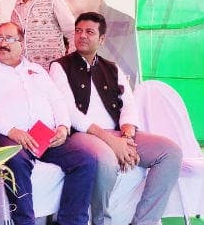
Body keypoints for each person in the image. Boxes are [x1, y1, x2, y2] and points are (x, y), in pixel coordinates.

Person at [49, 12, 182, 225]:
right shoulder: (60, 67)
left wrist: (126, 137)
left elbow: (128, 105)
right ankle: (101, 221)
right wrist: (112, 142)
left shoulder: (112, 68)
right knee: (106, 161)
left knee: (170, 152)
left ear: (101, 39)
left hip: (117, 133)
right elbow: (70, 113)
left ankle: (144, 221)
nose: (82, 36)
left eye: (89, 32)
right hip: (83, 134)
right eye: (78, 31)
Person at [0, 22, 97, 225]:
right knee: (16, 159)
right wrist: (12, 131)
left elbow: (57, 100)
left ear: (21, 44)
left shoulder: (36, 69)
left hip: (43, 136)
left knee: (85, 160)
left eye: (9, 38)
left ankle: (71, 221)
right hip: (4, 135)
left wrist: (63, 127)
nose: (2, 43)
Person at [10, 0, 75, 71]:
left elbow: (72, 32)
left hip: (51, 73)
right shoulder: (16, 9)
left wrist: (70, 64)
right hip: (25, 74)